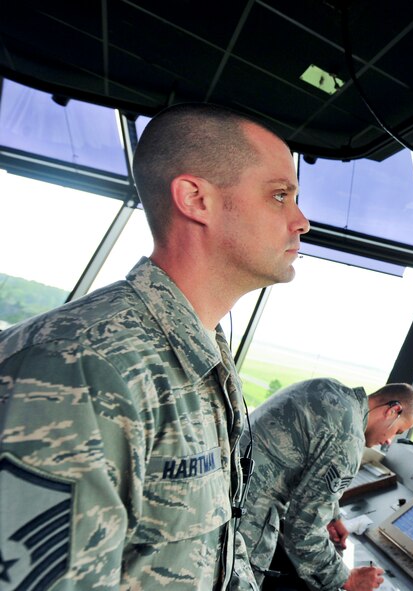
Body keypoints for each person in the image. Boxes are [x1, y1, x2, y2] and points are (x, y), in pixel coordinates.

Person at [0, 103, 310, 590]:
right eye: (279, 196)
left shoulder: (202, 354)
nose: (301, 221)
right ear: (195, 199)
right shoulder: (82, 367)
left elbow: (216, 544)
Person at [240, 378, 413, 591]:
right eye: (397, 431)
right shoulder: (349, 437)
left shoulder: (329, 389)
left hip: (230, 482)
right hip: (244, 512)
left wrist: (333, 517)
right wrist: (347, 578)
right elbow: (303, 531)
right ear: (393, 411)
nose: (389, 441)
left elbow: (312, 463)